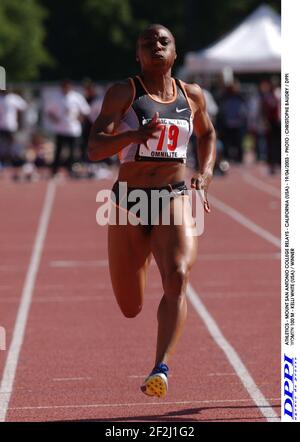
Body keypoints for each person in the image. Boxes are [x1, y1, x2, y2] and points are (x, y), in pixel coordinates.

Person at [88, 24, 216, 398]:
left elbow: (206, 133)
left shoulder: (191, 96)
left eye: (164, 42)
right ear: (138, 55)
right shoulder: (124, 93)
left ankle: (161, 367)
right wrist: (131, 137)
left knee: (177, 275)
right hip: (129, 202)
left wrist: (205, 173)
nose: (157, 46)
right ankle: (141, 254)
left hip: (173, 195)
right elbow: (94, 148)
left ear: (175, 53)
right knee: (131, 306)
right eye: (148, 43)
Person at [45, 80, 90, 177]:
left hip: (73, 129)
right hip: (60, 128)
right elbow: (48, 111)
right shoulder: (55, 97)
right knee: (58, 150)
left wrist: (80, 118)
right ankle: (55, 170)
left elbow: (85, 110)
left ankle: (70, 170)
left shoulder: (77, 97)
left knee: (73, 150)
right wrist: (54, 119)